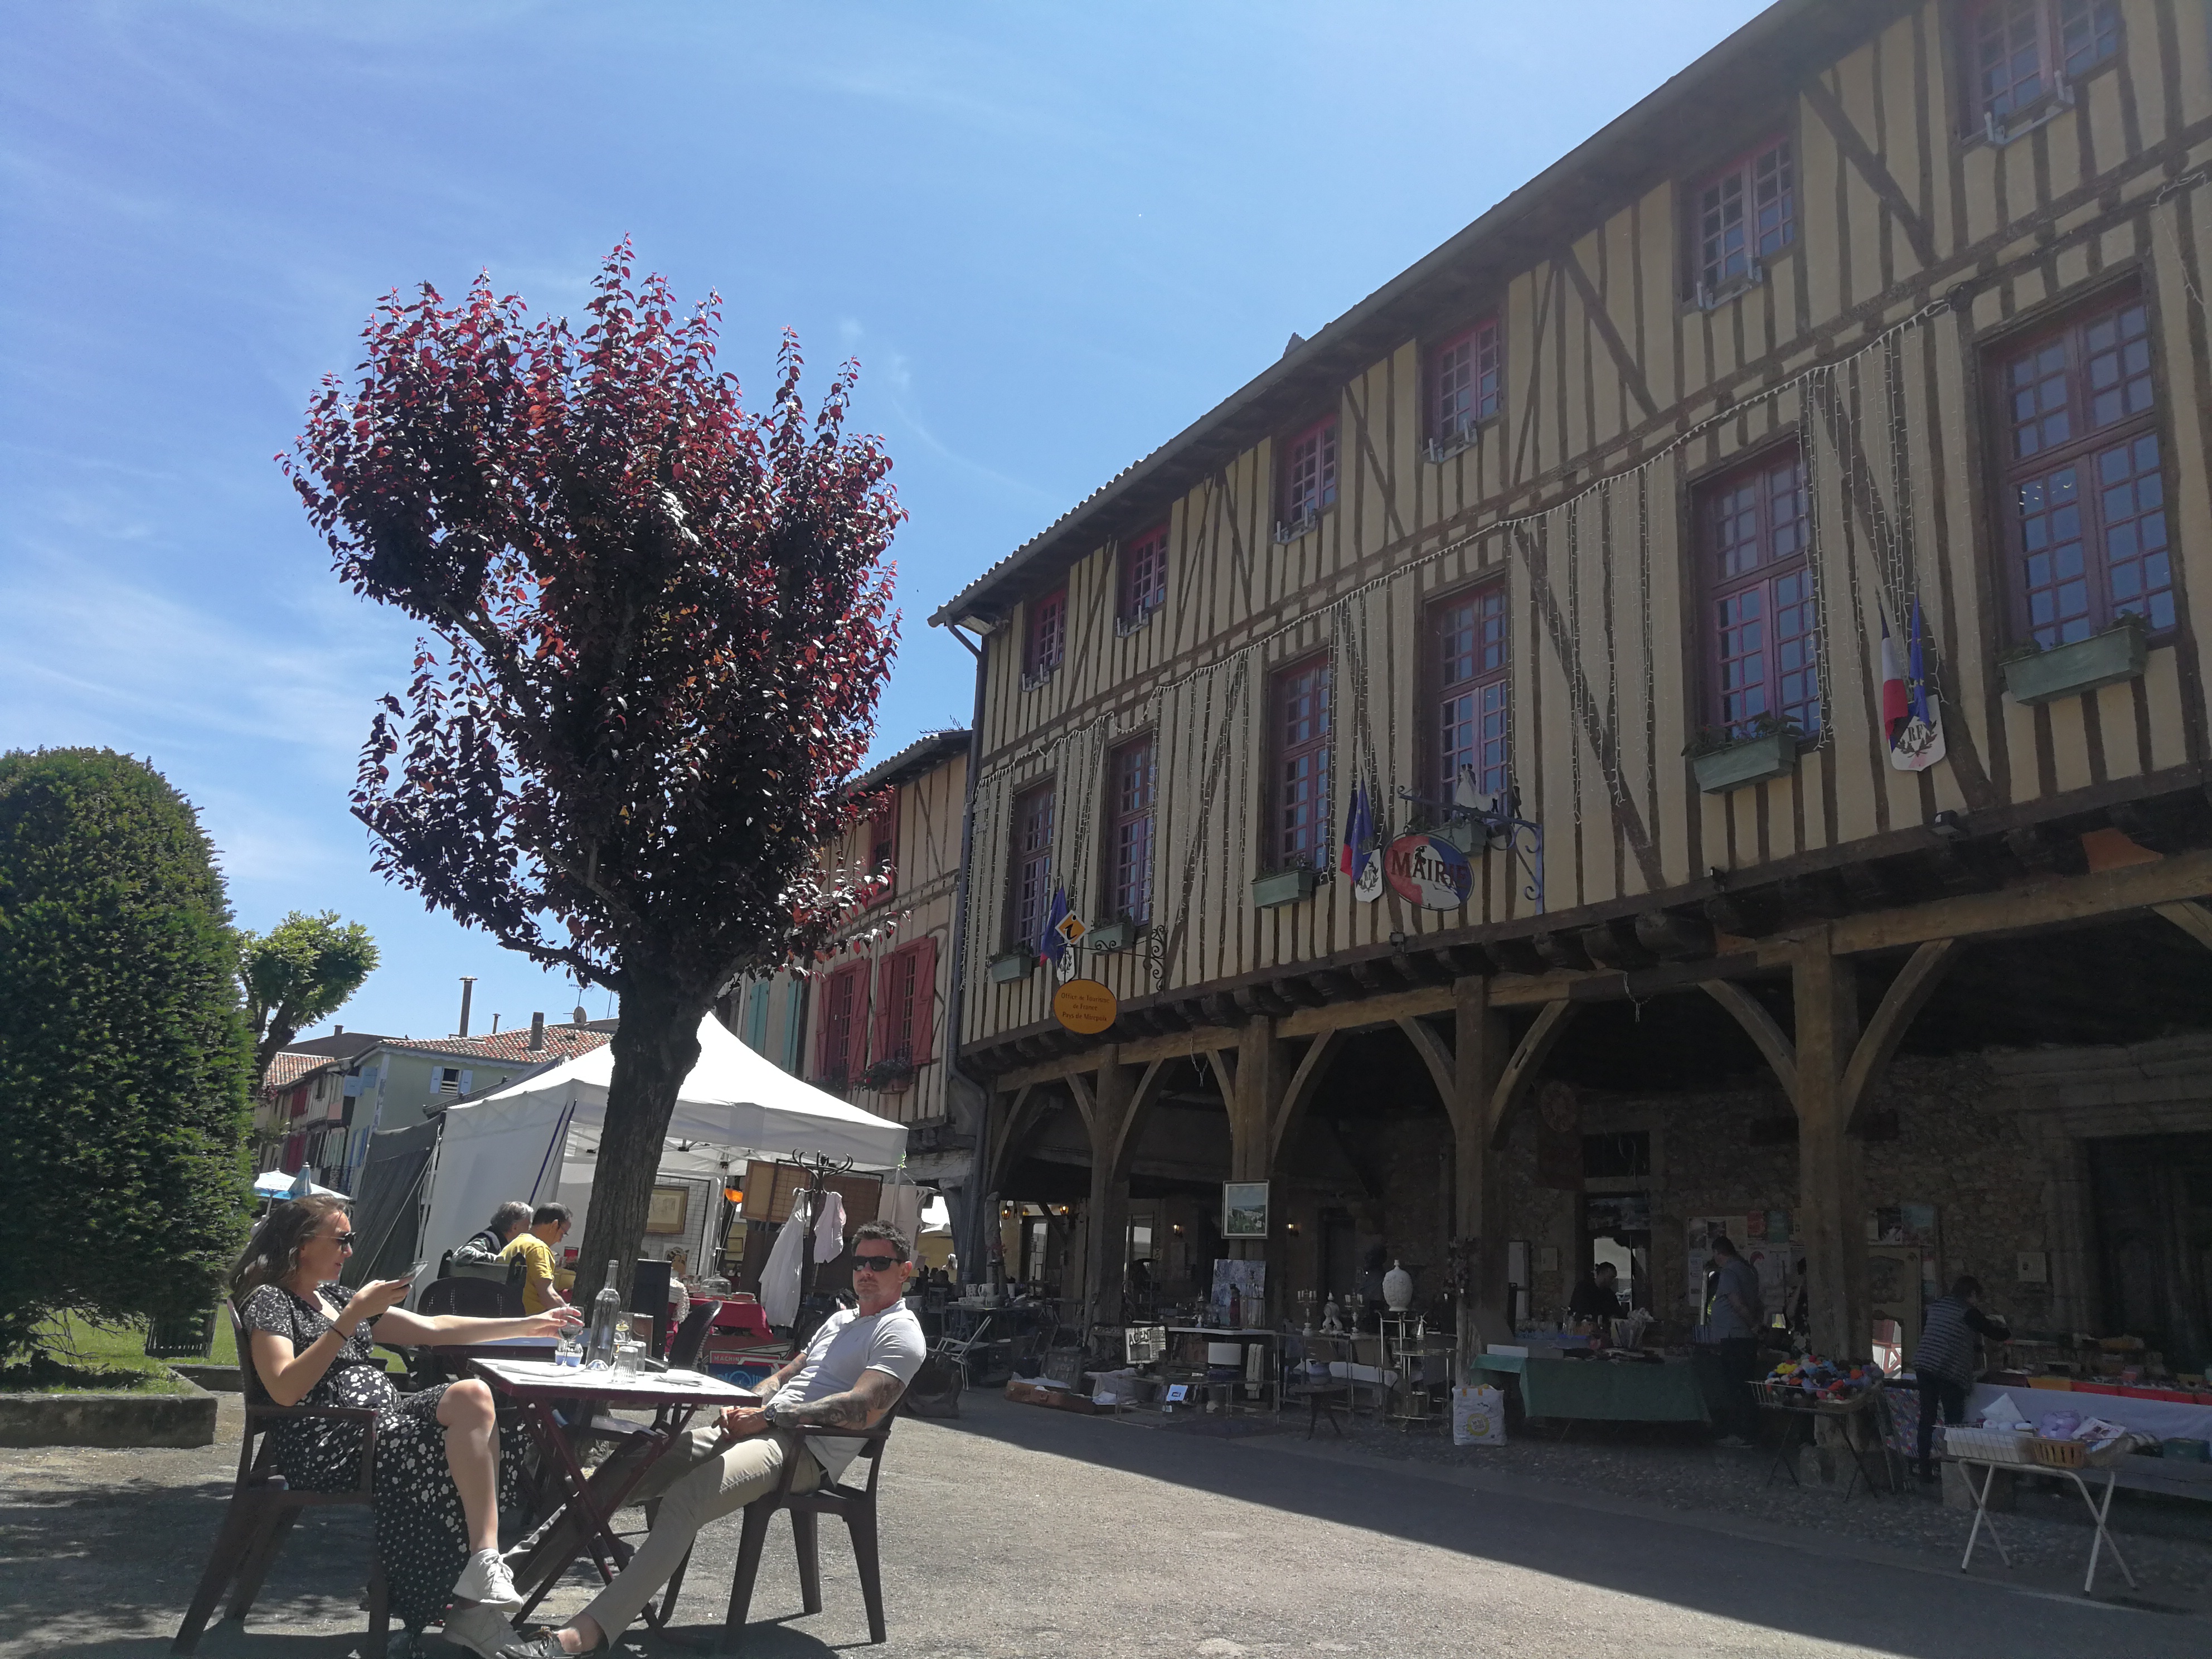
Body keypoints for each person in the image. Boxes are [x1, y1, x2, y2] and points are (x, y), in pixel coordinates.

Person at [496, 1221, 928, 1657]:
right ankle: (498, 1590)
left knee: (686, 1497)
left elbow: (863, 1408)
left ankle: (582, 1636)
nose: (866, 1271)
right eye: (860, 1262)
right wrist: (746, 1405)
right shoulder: (839, 1320)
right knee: (629, 1466)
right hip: (768, 1427)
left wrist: (768, 1417)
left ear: (904, 1270)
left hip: (806, 1450)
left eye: (879, 1263)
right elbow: (785, 1377)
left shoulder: (901, 1331)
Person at [231, 1194, 583, 1652]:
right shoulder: (273, 1301)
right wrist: (353, 1317)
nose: (350, 1251)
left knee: (474, 1395)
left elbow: (435, 1328)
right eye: (341, 1240)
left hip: (383, 1423)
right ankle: (463, 1612)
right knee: (456, 1453)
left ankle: (485, 1559)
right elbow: (284, 1388)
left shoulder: (334, 1298)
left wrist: (529, 1325)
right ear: (301, 1243)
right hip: (334, 1442)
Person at [1913, 1275, 2011, 1479]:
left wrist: (1972, 1347)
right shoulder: (1968, 1312)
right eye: (1977, 1298)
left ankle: (1924, 1469)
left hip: (1924, 1365)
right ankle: (1952, 1468)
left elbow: (1944, 1334)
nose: (1977, 1302)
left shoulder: (1936, 1306)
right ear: (1972, 1294)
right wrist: (2006, 1327)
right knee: (1953, 1420)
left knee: (1927, 1417)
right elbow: (1996, 1334)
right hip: (1948, 1369)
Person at [1704, 1235, 1764, 1448]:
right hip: (1743, 1337)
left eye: (1715, 1254)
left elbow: (1737, 1304)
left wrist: (1753, 1325)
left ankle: (1743, 1434)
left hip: (1734, 1336)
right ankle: (1748, 1432)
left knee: (1737, 1387)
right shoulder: (1748, 1270)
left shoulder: (1729, 1272)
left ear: (1719, 1253)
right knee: (1745, 1385)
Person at [498, 1202, 572, 1315]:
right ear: (554, 1225)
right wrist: (569, 1313)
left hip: (507, 1316)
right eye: (562, 1233)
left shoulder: (515, 1244)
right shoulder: (538, 1248)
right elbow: (548, 1296)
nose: (559, 1240)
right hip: (530, 1320)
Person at [453, 1200, 534, 1266]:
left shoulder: (505, 1246)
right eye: (528, 1226)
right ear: (515, 1227)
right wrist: (498, 1260)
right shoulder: (488, 1239)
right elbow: (463, 1254)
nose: (529, 1231)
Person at [1569, 1262, 1626, 1327]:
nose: (1613, 1281)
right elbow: (1578, 1310)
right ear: (1602, 1274)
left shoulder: (1610, 1294)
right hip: (1583, 1327)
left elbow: (1619, 1313)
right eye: (1611, 1277)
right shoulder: (1583, 1288)